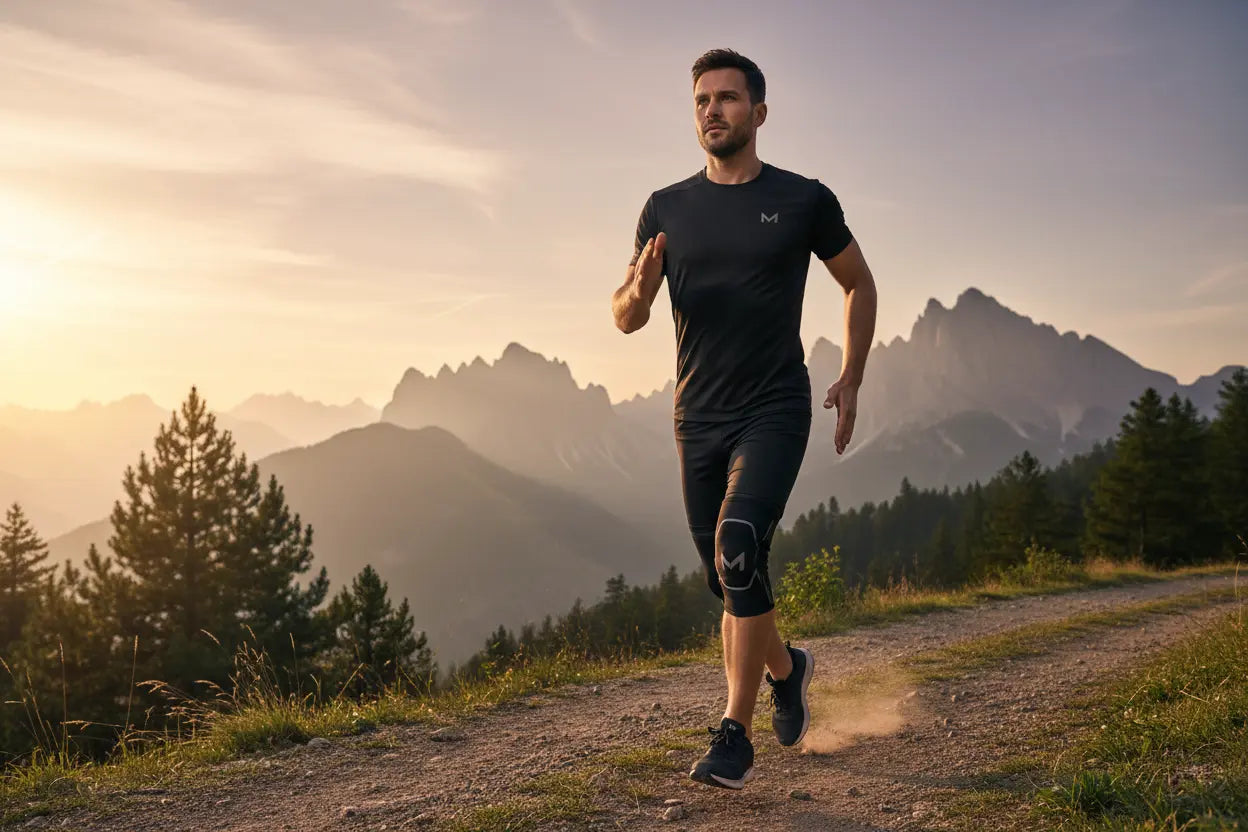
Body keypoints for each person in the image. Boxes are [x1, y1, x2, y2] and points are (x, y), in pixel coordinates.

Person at [610, 48, 878, 790]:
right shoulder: (665, 207)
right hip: (697, 414)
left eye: (728, 98)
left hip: (775, 405)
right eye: (701, 99)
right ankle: (789, 671)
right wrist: (638, 290)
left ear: (758, 113)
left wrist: (852, 375)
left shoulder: (803, 200)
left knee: (736, 545)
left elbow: (858, 283)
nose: (712, 110)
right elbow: (626, 316)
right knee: (726, 579)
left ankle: (736, 732)